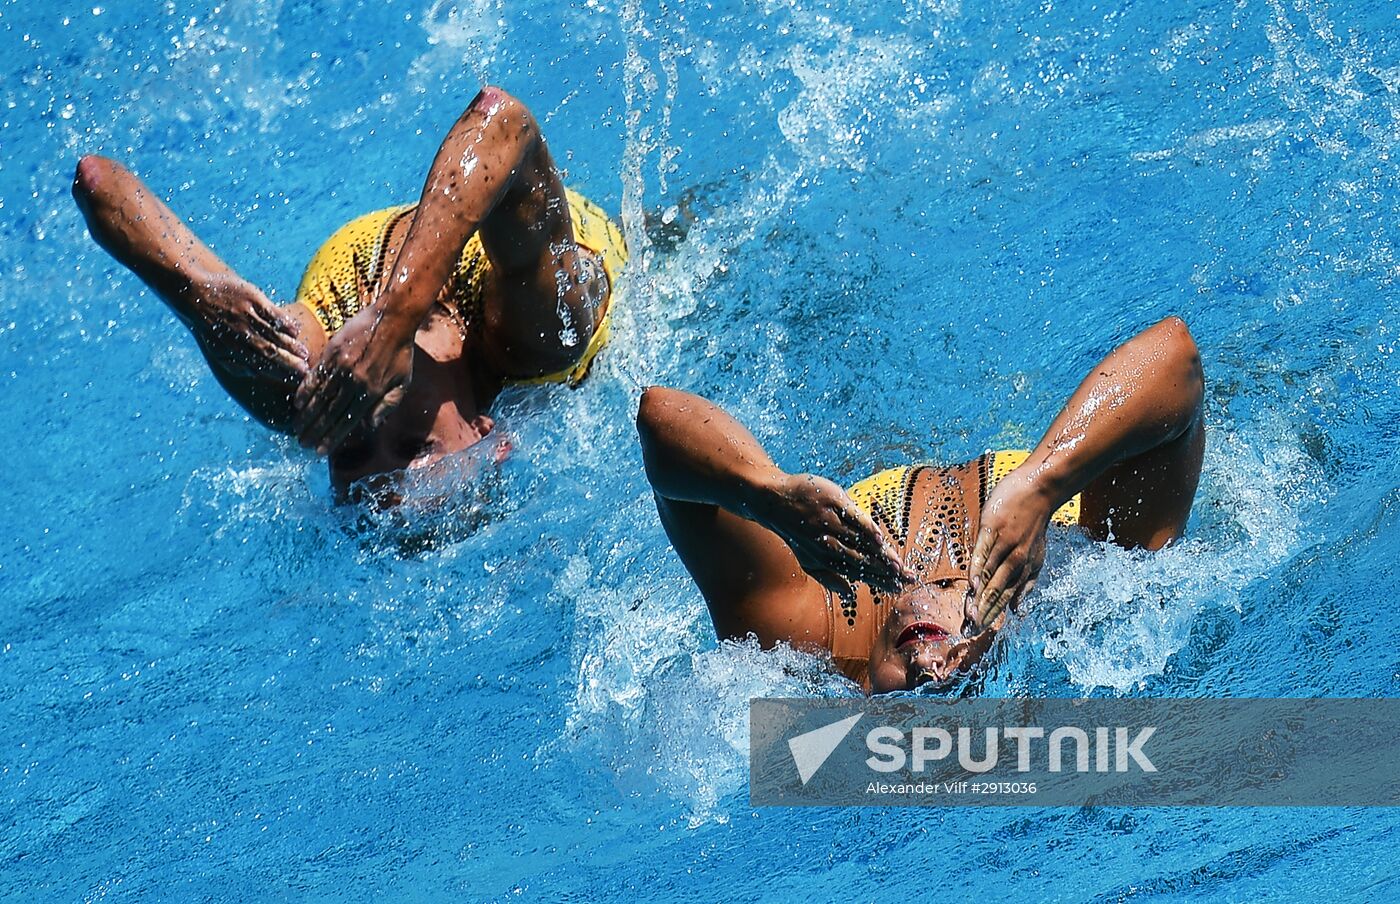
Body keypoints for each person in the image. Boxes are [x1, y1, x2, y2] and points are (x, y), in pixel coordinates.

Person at [72, 86, 627, 497]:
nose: (366, 418)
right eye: (415, 446)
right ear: (485, 430)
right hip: (560, 230)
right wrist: (395, 317)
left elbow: (97, 182)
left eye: (350, 450)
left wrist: (198, 296)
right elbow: (503, 122)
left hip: (370, 258)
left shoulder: (311, 394)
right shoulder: (535, 337)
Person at [636, 317, 1205, 693]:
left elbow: (659, 420)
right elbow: (1175, 361)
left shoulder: (813, 625)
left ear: (863, 696)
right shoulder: (1079, 579)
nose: (928, 669)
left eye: (905, 709)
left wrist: (767, 494)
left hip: (861, 445)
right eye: (959, 685)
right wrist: (1043, 486)